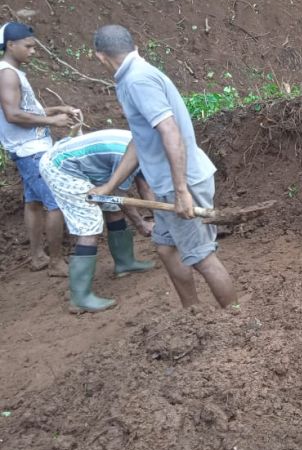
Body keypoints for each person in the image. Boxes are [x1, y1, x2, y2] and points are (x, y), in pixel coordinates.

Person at [91, 25, 237, 309]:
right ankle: (193, 314)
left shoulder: (137, 81)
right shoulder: (133, 77)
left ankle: (239, 323)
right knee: (166, 248)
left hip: (182, 183)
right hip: (171, 184)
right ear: (134, 46)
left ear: (100, 57)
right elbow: (140, 140)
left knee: (202, 257)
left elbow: (170, 131)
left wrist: (181, 191)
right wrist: (110, 186)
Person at [39, 129, 155, 313]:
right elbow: (119, 194)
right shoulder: (125, 154)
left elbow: (145, 187)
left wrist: (160, 219)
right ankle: (80, 298)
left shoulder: (144, 145)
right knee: (90, 225)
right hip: (60, 167)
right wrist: (140, 223)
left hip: (85, 166)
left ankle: (125, 263)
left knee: (113, 209)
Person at [0, 22, 81, 276]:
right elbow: (12, 114)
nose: (33, 52)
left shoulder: (13, 72)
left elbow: (25, 110)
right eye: (29, 47)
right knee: (55, 202)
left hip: (27, 148)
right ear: (11, 45)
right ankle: (56, 262)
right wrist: (51, 121)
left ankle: (38, 256)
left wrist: (58, 109)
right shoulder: (7, 74)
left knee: (34, 202)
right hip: (30, 150)